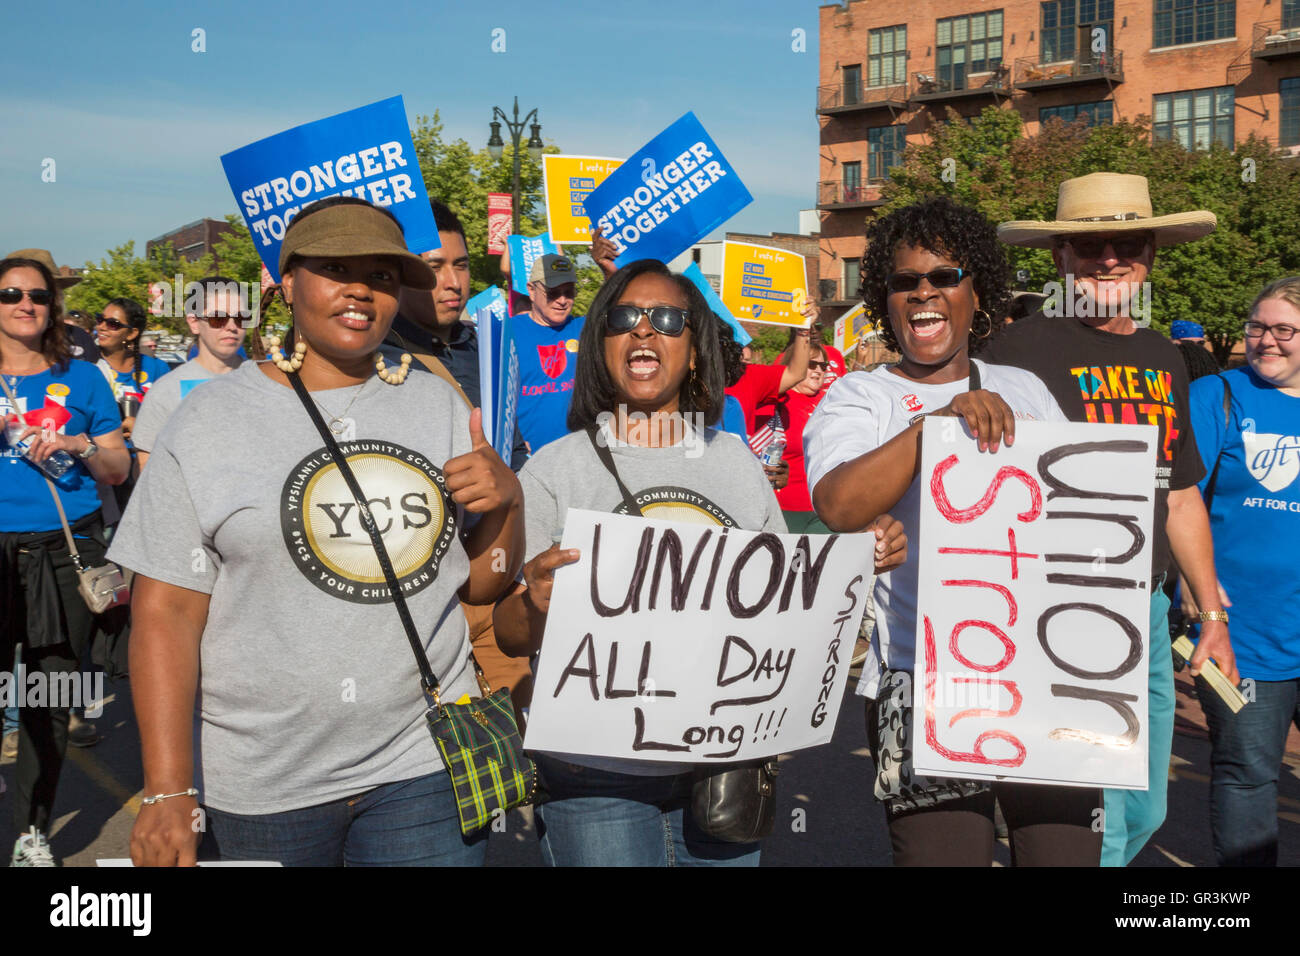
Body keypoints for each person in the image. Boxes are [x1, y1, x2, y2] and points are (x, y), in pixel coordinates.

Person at [107, 197, 526, 866]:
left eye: (383, 276)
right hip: (266, 784)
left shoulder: (438, 401)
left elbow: (482, 582)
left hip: (422, 766)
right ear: (287, 283)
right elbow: (167, 613)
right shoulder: (209, 420)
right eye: (335, 267)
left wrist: (509, 504)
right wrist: (165, 791)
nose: (361, 289)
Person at [494, 259, 905, 866]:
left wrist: (855, 562)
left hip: (722, 770)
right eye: (625, 317)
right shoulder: (555, 468)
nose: (643, 330)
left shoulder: (735, 464)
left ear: (694, 350)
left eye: (666, 319)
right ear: (601, 343)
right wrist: (534, 601)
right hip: (595, 774)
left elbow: (784, 605)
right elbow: (507, 633)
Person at [806, 196, 1082, 866]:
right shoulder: (859, 397)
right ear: (884, 297)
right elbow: (838, 504)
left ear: (977, 290)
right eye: (904, 282)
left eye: (944, 276)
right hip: (916, 680)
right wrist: (933, 426)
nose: (924, 292)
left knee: (1066, 857)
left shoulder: (1026, 390)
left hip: (1042, 672)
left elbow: (1076, 515)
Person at [983, 171, 1239, 866]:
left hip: (1148, 612)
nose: (1109, 259)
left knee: (1145, 805)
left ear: (1150, 254)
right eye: (1091, 246)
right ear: (1063, 257)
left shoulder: (1165, 357)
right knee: (1089, 813)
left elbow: (1181, 494)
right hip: (1062, 607)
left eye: (1126, 243)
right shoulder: (1015, 352)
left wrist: (1212, 618)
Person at [0, 254, 130, 865]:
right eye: (10, 294)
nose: (25, 304)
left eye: (37, 295)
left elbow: (118, 466)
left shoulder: (83, 379)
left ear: (52, 306)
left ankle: (32, 828)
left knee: (50, 693)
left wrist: (80, 444)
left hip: (65, 546)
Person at [387, 199, 532, 714]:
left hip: (495, 582)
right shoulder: (374, 361)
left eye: (462, 265)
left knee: (511, 754)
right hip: (421, 593)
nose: (453, 282)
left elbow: (515, 454)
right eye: (434, 268)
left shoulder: (489, 347)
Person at [1183, 277, 1300, 866]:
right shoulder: (1217, 396)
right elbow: (1180, 502)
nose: (1266, 341)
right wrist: (1191, 589)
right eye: (1258, 327)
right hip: (1239, 633)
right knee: (1248, 776)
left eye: (1284, 330)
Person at [131, 276, 246, 471]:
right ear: (194, 323)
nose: (232, 326)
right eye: (218, 318)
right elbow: (147, 470)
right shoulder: (165, 391)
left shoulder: (268, 381)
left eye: (242, 318)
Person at [511, 253, 584, 453]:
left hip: (579, 454)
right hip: (527, 459)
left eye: (569, 292)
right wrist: (511, 441)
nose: (562, 300)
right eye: (553, 292)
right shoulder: (505, 333)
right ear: (531, 291)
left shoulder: (584, 328)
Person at [757, 341, 833, 533]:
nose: (818, 370)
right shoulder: (778, 401)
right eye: (811, 364)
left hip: (825, 507)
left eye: (823, 366)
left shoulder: (832, 401)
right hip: (786, 507)